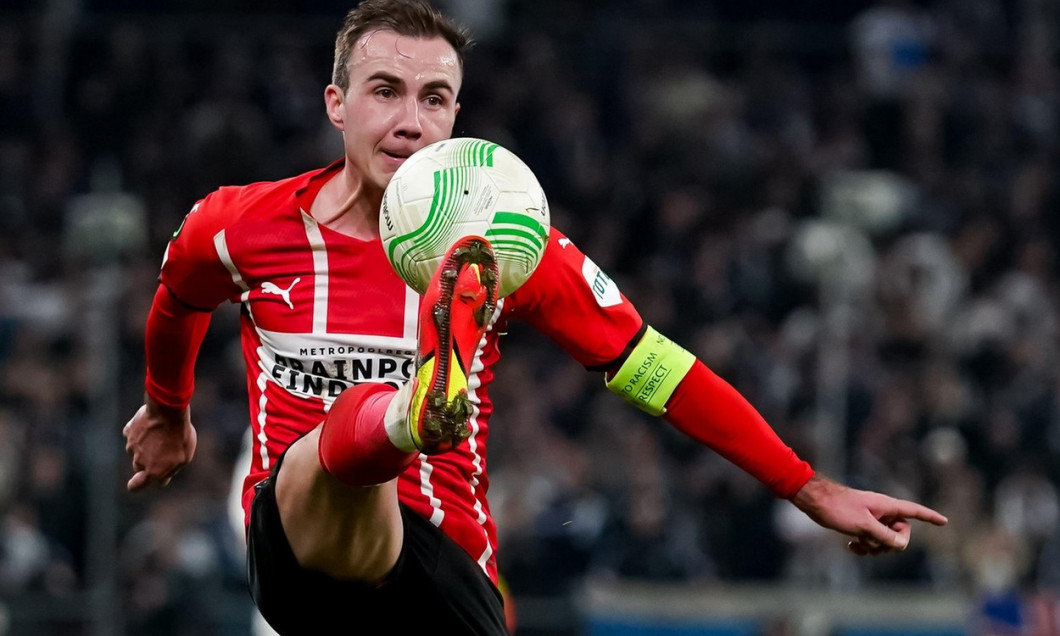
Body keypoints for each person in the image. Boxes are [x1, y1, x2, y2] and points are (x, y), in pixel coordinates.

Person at [122, 1, 948, 634]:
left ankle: (410, 412)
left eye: (436, 98)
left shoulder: (513, 244)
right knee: (324, 459)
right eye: (386, 91)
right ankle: (412, 412)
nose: (411, 120)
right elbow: (178, 299)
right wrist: (167, 407)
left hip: (447, 575)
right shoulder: (240, 226)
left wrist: (809, 487)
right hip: (299, 546)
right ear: (336, 103)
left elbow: (656, 367)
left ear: (455, 116)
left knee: (351, 465)